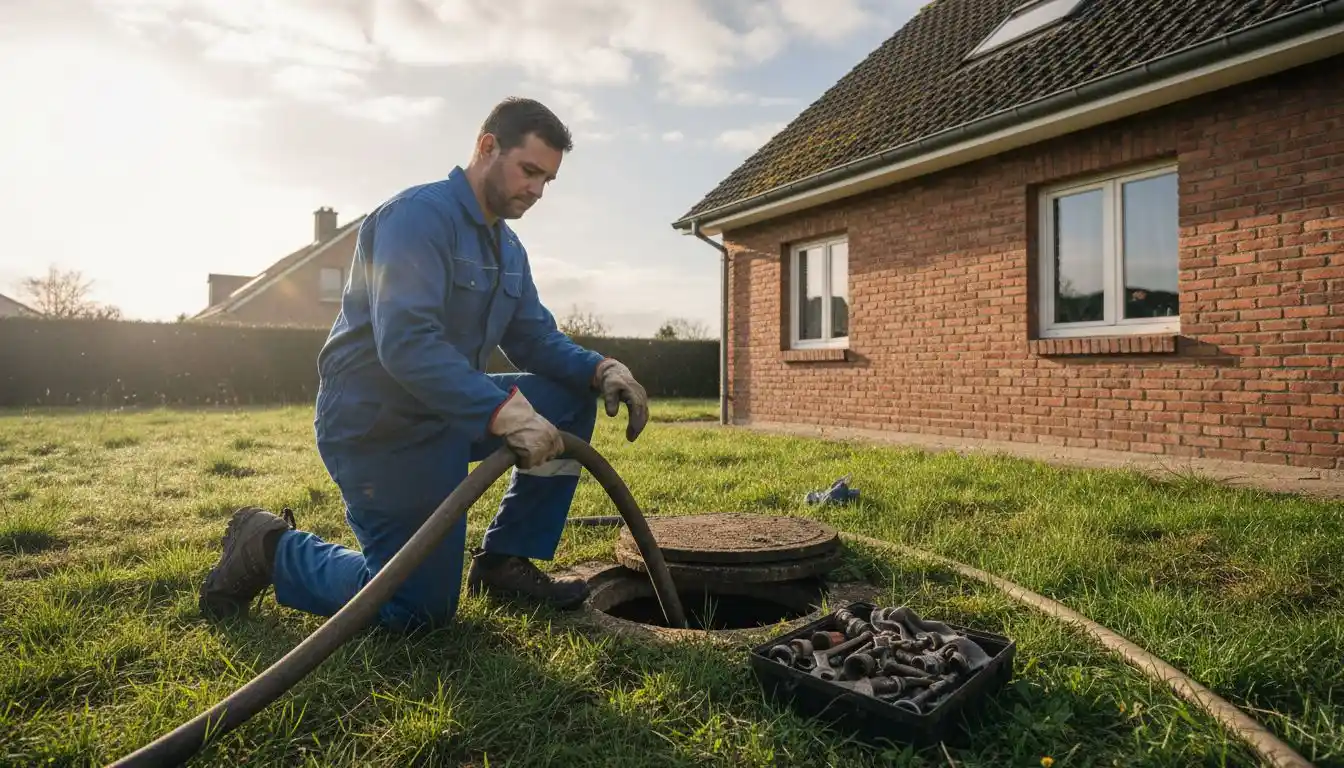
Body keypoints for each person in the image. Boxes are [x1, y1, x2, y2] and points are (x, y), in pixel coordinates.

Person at [197, 97, 649, 631]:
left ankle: (506, 561)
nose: (536, 190)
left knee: (570, 398)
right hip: (380, 426)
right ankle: (270, 547)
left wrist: (601, 370)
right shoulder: (414, 219)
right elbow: (407, 343)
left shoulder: (509, 250)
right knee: (417, 609)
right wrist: (503, 413)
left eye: (548, 180)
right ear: (486, 147)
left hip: (453, 412)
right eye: (529, 170)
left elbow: (534, 337)